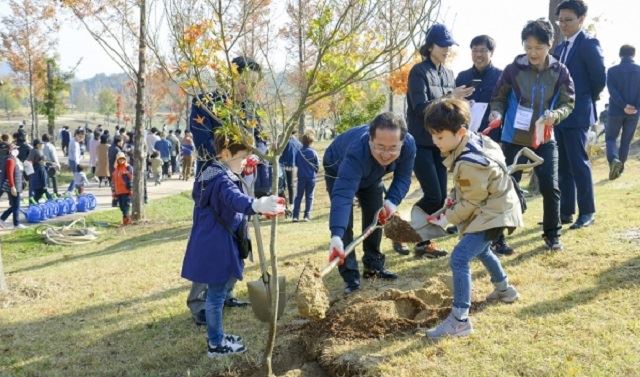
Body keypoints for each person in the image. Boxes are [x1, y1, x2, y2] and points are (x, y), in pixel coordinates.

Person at [423, 98, 522, 340]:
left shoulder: (469, 162)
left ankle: (459, 320)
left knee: (459, 257)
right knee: (481, 250)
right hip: (498, 205)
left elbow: (472, 202)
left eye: (440, 136)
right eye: (433, 136)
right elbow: (469, 189)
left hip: (495, 212)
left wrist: (446, 219)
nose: (436, 142)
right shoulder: (474, 142)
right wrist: (452, 197)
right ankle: (505, 290)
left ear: (461, 132)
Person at [180, 134, 285, 357]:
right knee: (215, 296)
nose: (247, 161)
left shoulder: (212, 170)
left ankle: (217, 337)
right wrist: (256, 203)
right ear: (226, 154)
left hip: (214, 240)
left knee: (218, 292)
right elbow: (233, 198)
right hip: (216, 244)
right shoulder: (221, 179)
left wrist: (245, 175)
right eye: (243, 157)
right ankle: (216, 344)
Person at [490, 18, 575, 251]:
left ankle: (552, 235)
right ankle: (498, 239)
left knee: (550, 186)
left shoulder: (560, 71)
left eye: (538, 47)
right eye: (528, 47)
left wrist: (555, 115)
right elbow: (498, 97)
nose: (533, 53)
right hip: (512, 139)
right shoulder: (512, 70)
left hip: (544, 138)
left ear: (550, 45)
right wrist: (496, 113)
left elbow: (569, 103)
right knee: (505, 188)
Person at [324, 112, 416, 294]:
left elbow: (403, 178)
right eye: (380, 146)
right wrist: (336, 234)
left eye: (392, 148)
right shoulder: (356, 152)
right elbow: (342, 197)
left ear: (402, 143)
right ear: (370, 140)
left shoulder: (409, 145)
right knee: (345, 224)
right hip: (338, 168)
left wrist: (391, 202)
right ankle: (350, 277)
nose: (386, 154)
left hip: (372, 175)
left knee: (376, 216)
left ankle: (373, 266)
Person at [407, 23, 475, 258]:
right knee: (434, 195)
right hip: (421, 142)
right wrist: (449, 96)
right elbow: (419, 108)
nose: (447, 49)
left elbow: (448, 109)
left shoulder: (448, 74)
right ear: (430, 46)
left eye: (449, 45)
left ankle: (423, 243)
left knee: (441, 194)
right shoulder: (418, 72)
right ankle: (410, 230)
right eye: (443, 45)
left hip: (442, 144)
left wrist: (461, 104)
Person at [553, 0, 605, 230]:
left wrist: (582, 100)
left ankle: (587, 212)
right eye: (560, 20)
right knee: (562, 165)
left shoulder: (588, 44)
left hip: (579, 114)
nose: (563, 25)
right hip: (559, 115)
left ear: (582, 19)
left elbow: (598, 80)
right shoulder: (559, 48)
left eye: (568, 20)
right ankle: (565, 212)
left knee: (579, 163)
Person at [455, 35, 503, 142]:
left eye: (483, 50)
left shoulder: (501, 76)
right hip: (464, 136)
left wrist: (498, 114)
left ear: (492, 52)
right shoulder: (462, 77)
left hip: (490, 136)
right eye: (474, 50)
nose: (478, 54)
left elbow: (504, 103)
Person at [605, 44, 640, 180]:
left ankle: (614, 160)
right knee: (626, 141)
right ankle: (620, 169)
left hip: (615, 110)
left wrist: (624, 105)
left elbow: (612, 91)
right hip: (634, 112)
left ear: (620, 55)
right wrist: (636, 107)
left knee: (611, 138)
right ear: (633, 55)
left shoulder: (612, 71)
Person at [292, 130, 319, 222]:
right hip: (311, 177)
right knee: (309, 196)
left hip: (301, 177)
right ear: (311, 142)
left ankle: (295, 216)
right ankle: (306, 216)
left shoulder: (299, 152)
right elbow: (317, 166)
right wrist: (314, 172)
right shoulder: (313, 152)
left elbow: (296, 163)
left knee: (298, 196)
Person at [0, 144, 26, 229]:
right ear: (11, 150)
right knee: (16, 205)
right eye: (15, 148)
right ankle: (16, 224)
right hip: (13, 186)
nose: (17, 150)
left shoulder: (13, 159)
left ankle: (2, 219)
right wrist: (12, 187)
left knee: (15, 205)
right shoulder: (10, 160)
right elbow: (10, 174)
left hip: (16, 184)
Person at [279, 130, 302, 205]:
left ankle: (285, 202)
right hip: (294, 166)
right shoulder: (298, 143)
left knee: (282, 185)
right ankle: (292, 202)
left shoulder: (285, 142)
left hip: (283, 165)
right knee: (292, 185)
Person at [111, 152, 134, 225]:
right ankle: (126, 218)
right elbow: (113, 182)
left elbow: (131, 179)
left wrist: (130, 189)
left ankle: (127, 221)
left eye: (123, 159)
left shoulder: (128, 168)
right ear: (117, 160)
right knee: (121, 207)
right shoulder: (115, 170)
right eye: (119, 159)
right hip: (118, 192)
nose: (121, 161)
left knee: (126, 206)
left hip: (126, 191)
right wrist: (113, 192)